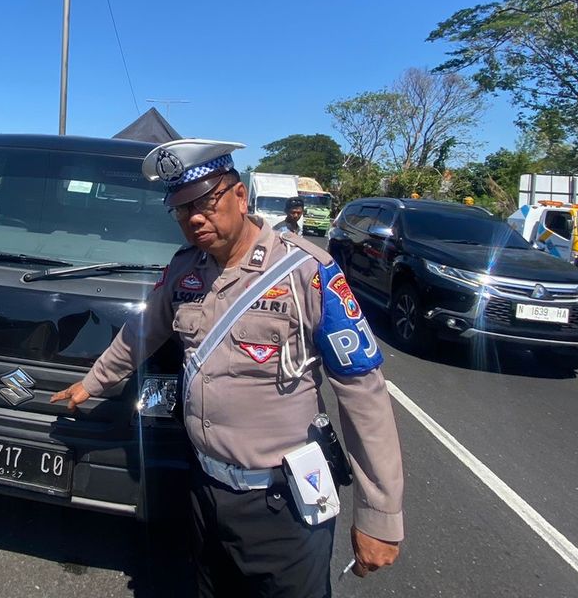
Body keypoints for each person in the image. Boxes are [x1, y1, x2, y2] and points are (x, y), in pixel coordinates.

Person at [51, 139, 404, 598]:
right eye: (181, 209)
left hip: (282, 505)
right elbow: (143, 331)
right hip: (205, 490)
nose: (193, 218)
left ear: (240, 196)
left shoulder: (306, 272)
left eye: (205, 202)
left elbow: (362, 392)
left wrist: (379, 516)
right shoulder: (185, 270)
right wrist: (93, 382)